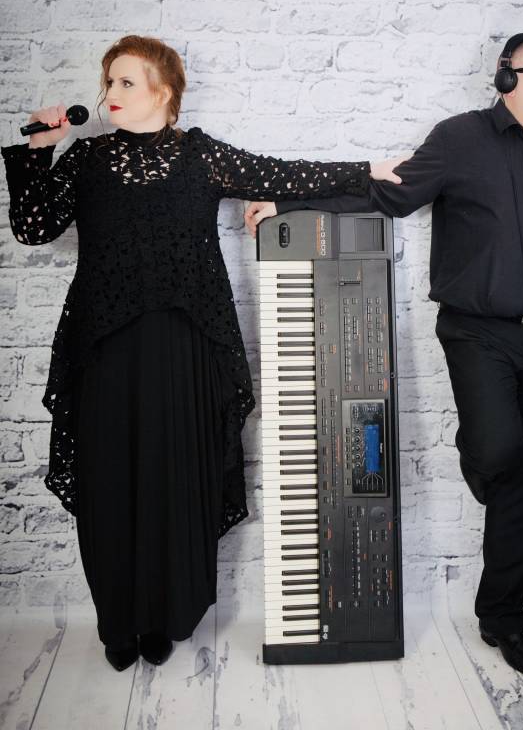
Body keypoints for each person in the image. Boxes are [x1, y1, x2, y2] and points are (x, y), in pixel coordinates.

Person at [0, 34, 408, 672]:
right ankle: (118, 622)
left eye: (125, 82)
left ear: (164, 90)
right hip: (105, 347)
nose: (109, 94)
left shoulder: (200, 155)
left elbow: (282, 172)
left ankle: (165, 615)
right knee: (109, 483)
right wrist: (38, 150)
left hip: (184, 346)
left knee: (175, 478)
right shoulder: (86, 159)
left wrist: (366, 170)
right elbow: (32, 228)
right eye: (108, 82)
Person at [244, 28, 523, 676]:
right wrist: (287, 201)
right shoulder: (459, 140)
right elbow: (387, 195)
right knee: (498, 453)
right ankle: (488, 465)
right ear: (508, 77)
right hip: (478, 333)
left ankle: (503, 620)